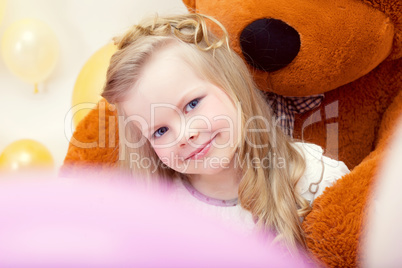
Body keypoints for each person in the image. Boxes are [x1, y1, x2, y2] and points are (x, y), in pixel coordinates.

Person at [101, 13, 349, 253]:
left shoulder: (312, 178)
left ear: (232, 83)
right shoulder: (163, 210)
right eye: (161, 130)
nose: (185, 135)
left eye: (192, 104)